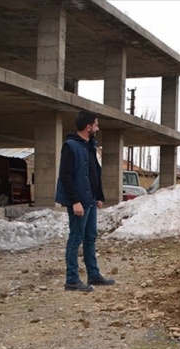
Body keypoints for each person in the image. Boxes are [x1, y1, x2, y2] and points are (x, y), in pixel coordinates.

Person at [55, 110, 115, 292]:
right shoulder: (71, 146)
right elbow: (65, 177)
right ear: (88, 127)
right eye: (96, 124)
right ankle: (72, 280)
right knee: (76, 238)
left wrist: (98, 196)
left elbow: (93, 173)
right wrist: (75, 201)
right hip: (79, 202)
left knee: (90, 238)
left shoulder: (90, 146)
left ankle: (94, 275)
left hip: (90, 200)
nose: (98, 128)